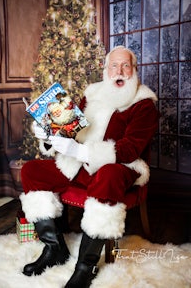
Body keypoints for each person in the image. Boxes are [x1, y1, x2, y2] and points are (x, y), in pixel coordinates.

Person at [20, 45, 159, 287]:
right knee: (31, 170)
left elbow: (129, 150)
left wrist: (83, 151)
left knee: (108, 175)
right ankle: (55, 249)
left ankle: (86, 265)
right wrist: (51, 136)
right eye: (114, 65)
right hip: (80, 165)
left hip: (121, 167)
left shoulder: (144, 103)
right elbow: (74, 130)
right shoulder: (92, 94)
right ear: (106, 70)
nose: (119, 71)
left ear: (134, 70)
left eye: (125, 65)